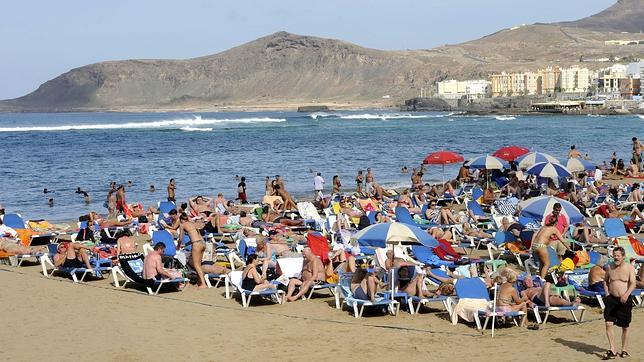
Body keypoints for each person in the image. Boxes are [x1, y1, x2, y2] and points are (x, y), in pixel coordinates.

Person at [602, 247, 637, 359]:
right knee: (608, 323)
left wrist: (626, 295)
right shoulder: (609, 267)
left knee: (625, 326)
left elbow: (633, 284)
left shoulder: (629, 268)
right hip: (611, 299)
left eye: (618, 255)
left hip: (624, 299)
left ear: (623, 256)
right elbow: (605, 281)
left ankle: (624, 350)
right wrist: (607, 293)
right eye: (614, 255)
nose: (616, 258)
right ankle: (612, 350)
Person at [177, 213, 207, 289]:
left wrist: (178, 246)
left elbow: (180, 239)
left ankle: (203, 284)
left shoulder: (182, 225)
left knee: (196, 264)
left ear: (181, 220)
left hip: (196, 245)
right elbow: (196, 237)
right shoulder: (192, 224)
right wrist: (186, 245)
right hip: (202, 243)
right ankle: (199, 281)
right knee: (198, 265)